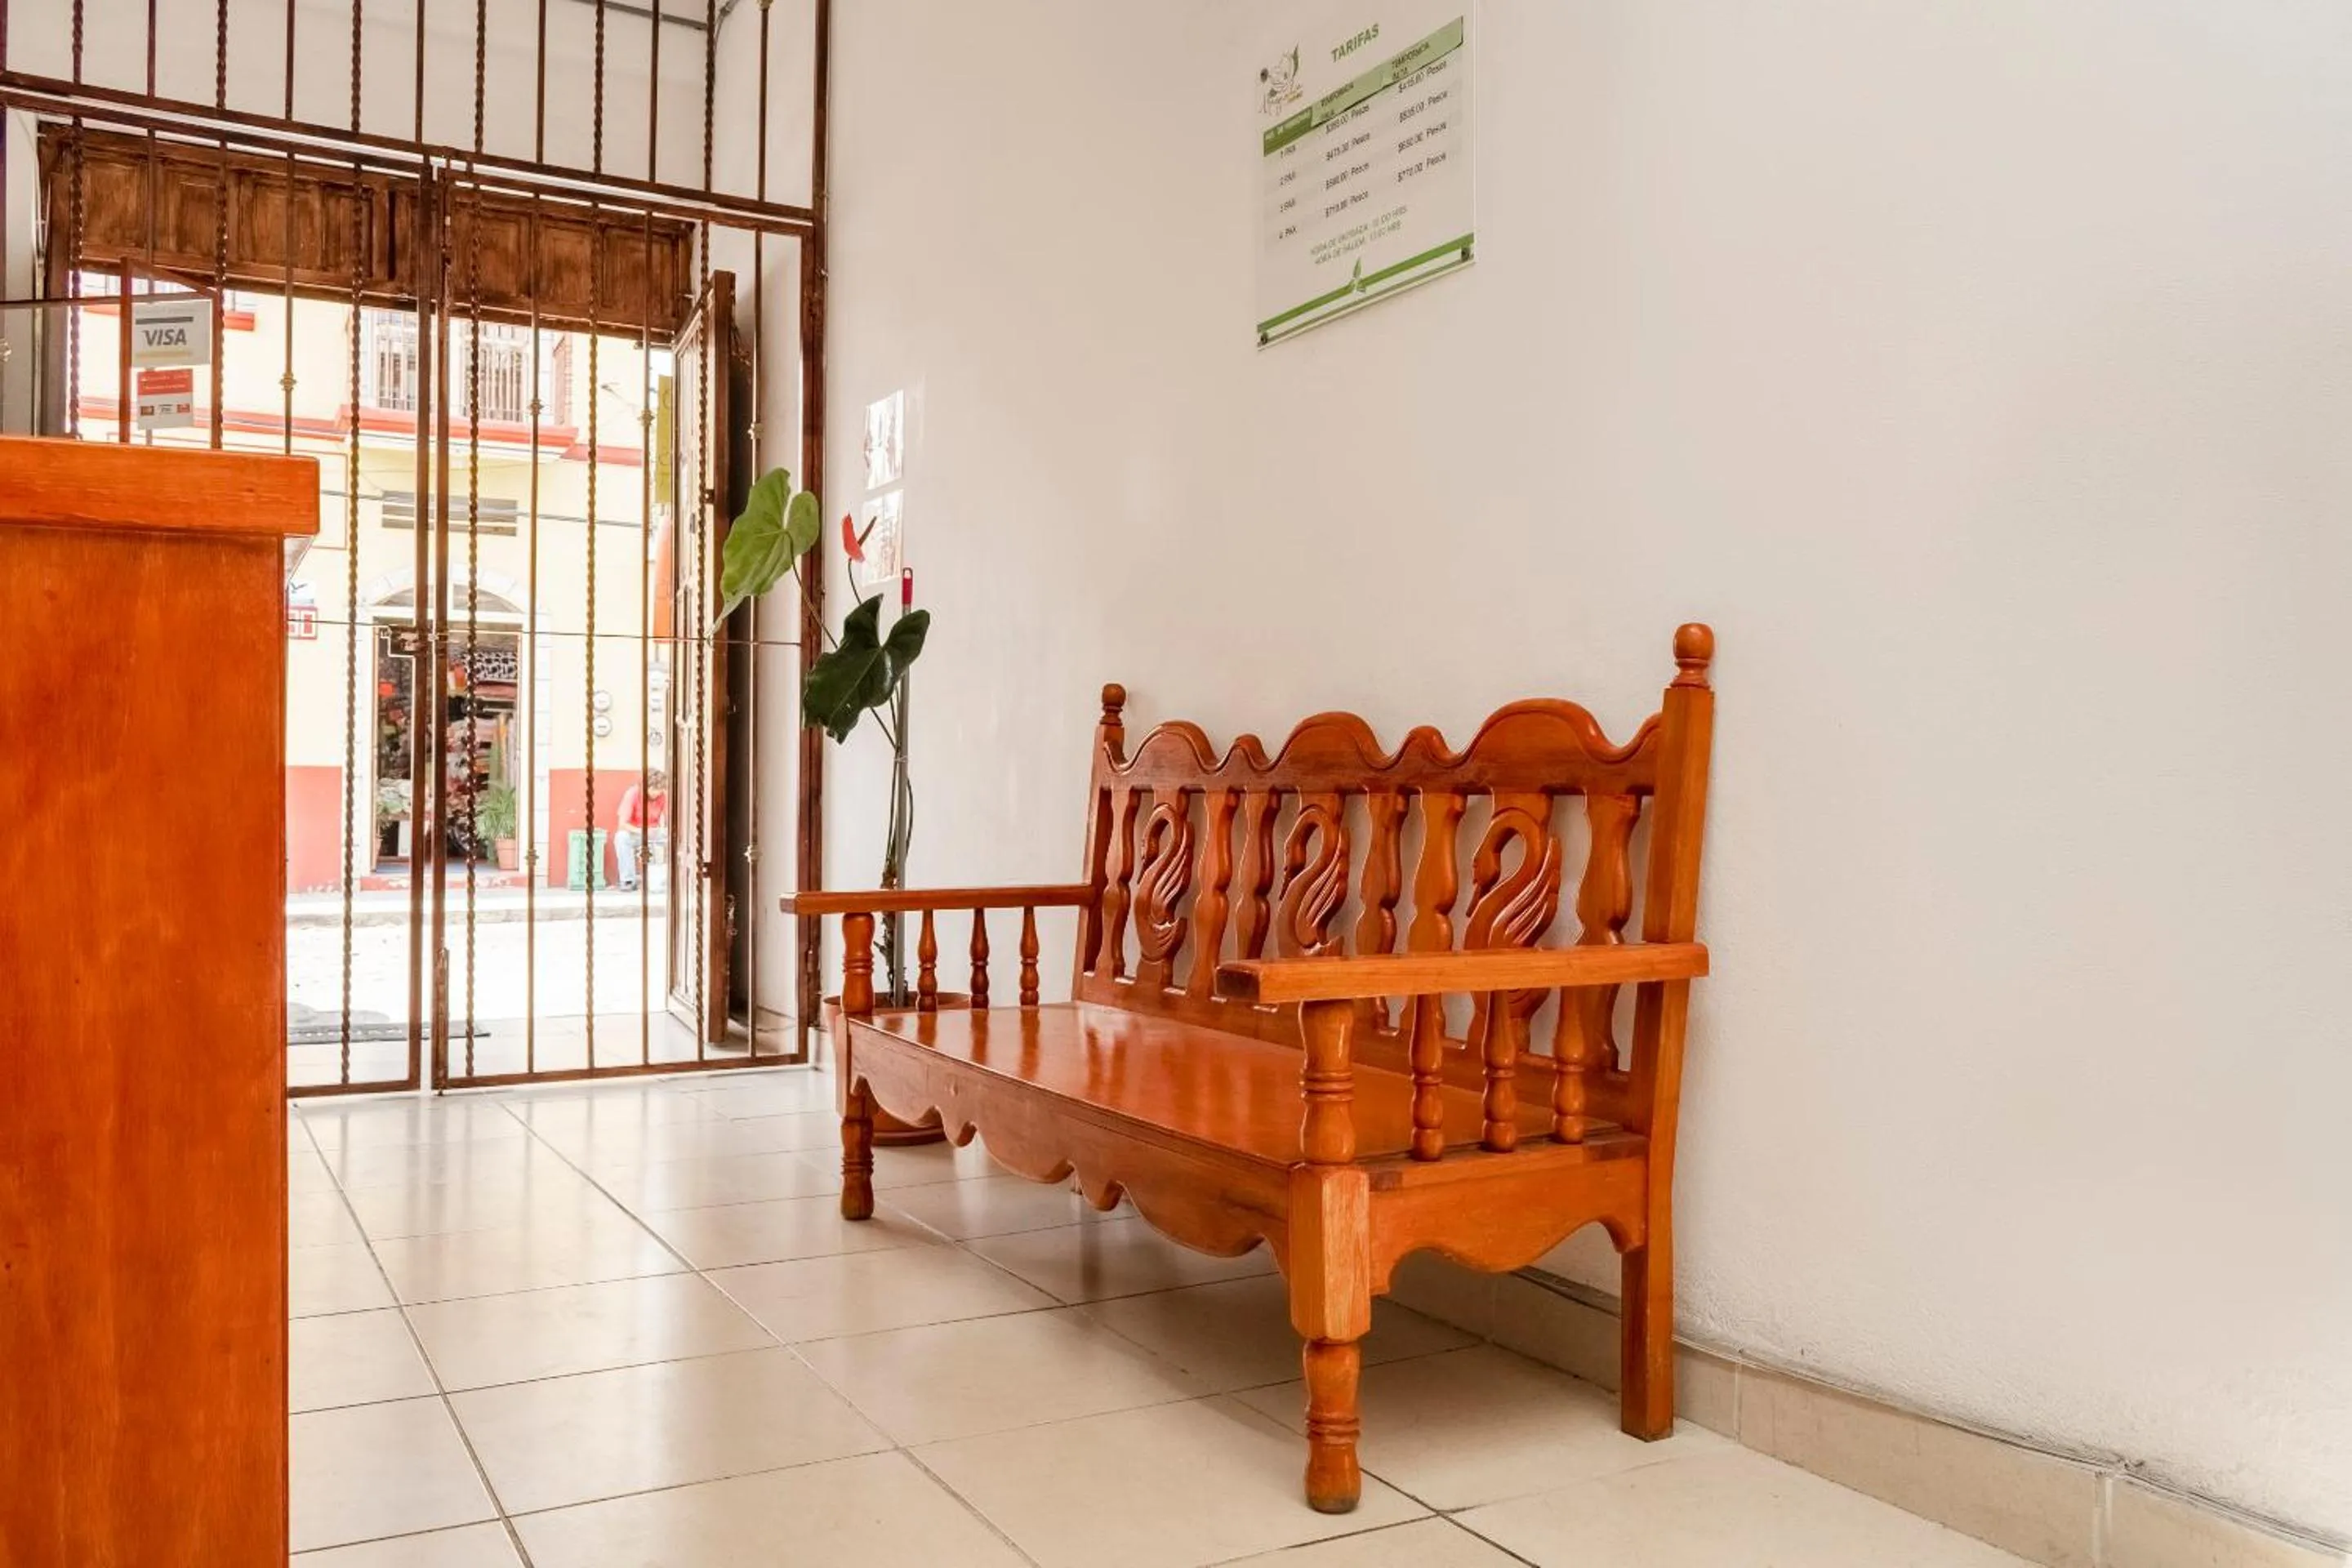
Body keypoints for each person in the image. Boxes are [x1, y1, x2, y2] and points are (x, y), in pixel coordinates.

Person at [616, 770, 668, 893]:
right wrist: (641, 832)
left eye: (660, 789)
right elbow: (622, 824)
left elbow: (665, 817)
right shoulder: (632, 794)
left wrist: (663, 829)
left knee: (672, 837)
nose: (657, 792)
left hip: (654, 832)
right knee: (621, 837)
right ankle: (628, 880)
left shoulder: (663, 796)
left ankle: (662, 880)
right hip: (635, 832)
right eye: (654, 788)